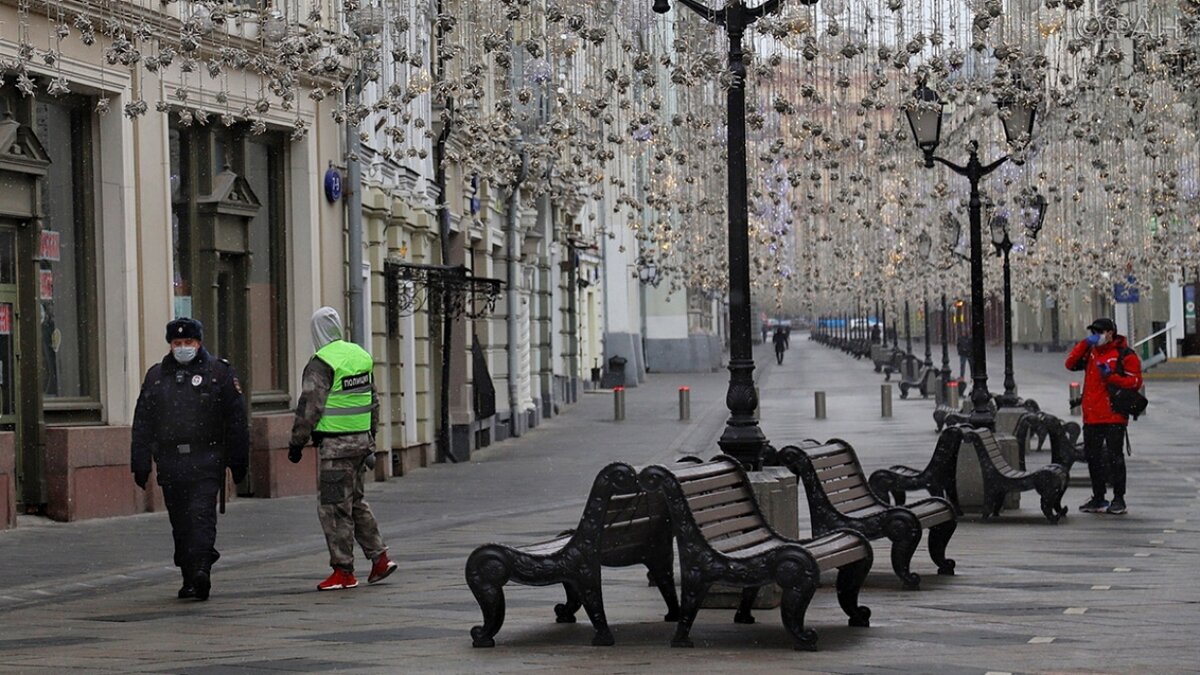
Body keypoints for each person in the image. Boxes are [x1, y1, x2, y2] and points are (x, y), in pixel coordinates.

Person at [131, 317, 249, 601]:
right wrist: (140, 461)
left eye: (189, 343)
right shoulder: (156, 376)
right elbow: (143, 422)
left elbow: (235, 421)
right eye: (177, 343)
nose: (183, 348)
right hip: (171, 461)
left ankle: (201, 571)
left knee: (201, 516)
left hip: (206, 458)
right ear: (170, 345)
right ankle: (188, 574)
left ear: (199, 343)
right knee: (181, 522)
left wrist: (238, 460)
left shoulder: (218, 373)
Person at [289, 307, 397, 591]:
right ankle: (380, 558)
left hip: (336, 449)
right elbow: (373, 400)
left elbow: (310, 406)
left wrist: (296, 442)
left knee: (334, 508)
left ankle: (344, 571)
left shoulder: (321, 362)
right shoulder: (360, 355)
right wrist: (371, 435)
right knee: (357, 502)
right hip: (361, 444)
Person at [1064, 317, 1142, 515]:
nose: (1096, 336)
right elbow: (1070, 363)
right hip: (1092, 416)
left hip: (1114, 415)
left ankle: (1119, 498)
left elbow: (1135, 381)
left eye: (1099, 333)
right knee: (1093, 458)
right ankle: (1098, 497)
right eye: (1093, 333)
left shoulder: (1124, 354)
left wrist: (1111, 376)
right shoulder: (1090, 352)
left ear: (1110, 333)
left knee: (1115, 457)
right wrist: (1084, 344)